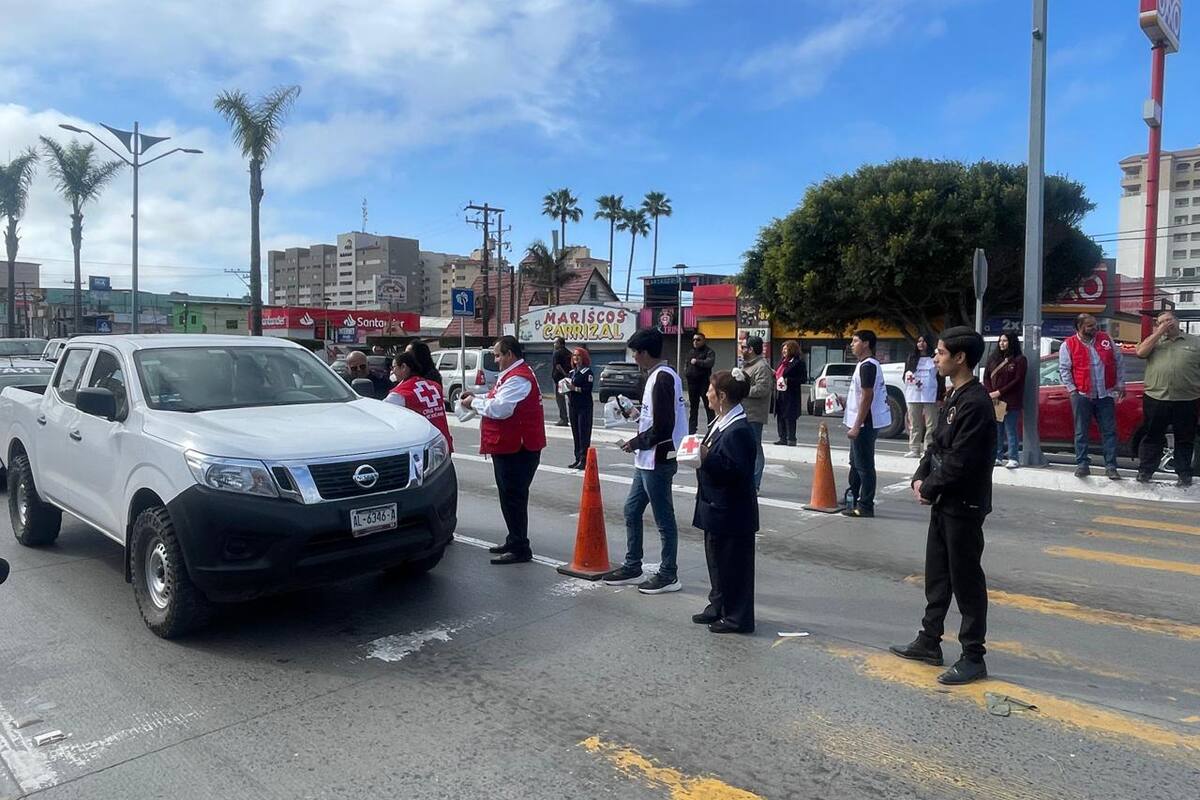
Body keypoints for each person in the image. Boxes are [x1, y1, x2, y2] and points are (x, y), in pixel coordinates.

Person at [890, 326, 995, 685]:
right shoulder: (954, 396)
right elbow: (937, 445)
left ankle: (973, 656)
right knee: (938, 574)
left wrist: (930, 487)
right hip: (945, 501)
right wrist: (920, 477)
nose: (934, 357)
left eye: (940, 352)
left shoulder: (977, 403)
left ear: (960, 357)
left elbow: (962, 459)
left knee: (966, 581)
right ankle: (929, 639)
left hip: (964, 504)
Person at [603, 328, 688, 594]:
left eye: (634, 353)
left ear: (644, 352)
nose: (634, 358)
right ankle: (633, 565)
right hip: (647, 458)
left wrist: (635, 442)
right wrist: (636, 415)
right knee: (631, 510)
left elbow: (664, 426)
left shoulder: (662, 378)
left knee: (664, 519)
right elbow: (656, 418)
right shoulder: (657, 376)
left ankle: (668, 574)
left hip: (658, 459)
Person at [461, 336, 546, 565]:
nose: (496, 360)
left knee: (514, 497)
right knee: (508, 497)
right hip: (510, 446)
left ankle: (520, 547)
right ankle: (514, 539)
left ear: (510, 354)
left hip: (518, 447)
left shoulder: (519, 378)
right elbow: (495, 398)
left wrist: (473, 403)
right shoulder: (512, 375)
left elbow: (501, 408)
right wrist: (476, 397)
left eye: (498, 355)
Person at [693, 369, 759, 634]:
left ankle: (737, 618)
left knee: (734, 567)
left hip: (732, 511)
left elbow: (736, 471)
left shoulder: (739, 429)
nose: (706, 394)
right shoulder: (721, 420)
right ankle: (718, 606)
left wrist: (706, 456)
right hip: (715, 507)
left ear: (721, 395)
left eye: (710, 390)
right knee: (717, 561)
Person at [1135, 310, 1200, 486]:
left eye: (1169, 320)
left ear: (1177, 321)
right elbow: (1140, 353)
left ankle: (1184, 474)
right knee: (1152, 436)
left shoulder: (1195, 342)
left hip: (1187, 399)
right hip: (1156, 397)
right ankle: (1145, 471)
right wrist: (1158, 333)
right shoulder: (1154, 341)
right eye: (1162, 321)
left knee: (1185, 438)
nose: (1167, 323)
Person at [1059, 313, 1125, 480]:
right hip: (1082, 394)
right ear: (1079, 327)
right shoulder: (1068, 345)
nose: (1094, 328)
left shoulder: (1105, 339)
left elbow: (1118, 361)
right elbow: (1064, 369)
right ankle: (1082, 464)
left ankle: (1111, 466)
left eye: (1095, 324)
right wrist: (1073, 390)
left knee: (1109, 431)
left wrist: (1120, 383)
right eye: (1089, 326)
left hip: (1105, 394)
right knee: (1081, 431)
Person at [842, 330, 891, 518]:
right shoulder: (863, 365)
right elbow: (860, 395)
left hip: (865, 423)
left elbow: (868, 395)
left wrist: (857, 425)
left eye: (855, 341)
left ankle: (865, 505)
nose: (852, 344)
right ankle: (852, 495)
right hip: (860, 420)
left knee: (864, 465)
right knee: (855, 462)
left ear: (866, 344)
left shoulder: (868, 366)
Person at [385, 352, 453, 453]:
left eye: (394, 367)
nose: (392, 371)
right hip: (443, 442)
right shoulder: (435, 386)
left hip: (422, 447)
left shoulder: (400, 394)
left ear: (403, 367)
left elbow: (381, 413)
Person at [983, 331, 1026, 469]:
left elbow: (1017, 380)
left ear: (1011, 342)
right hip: (995, 400)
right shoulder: (993, 358)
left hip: (1011, 401)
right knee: (997, 429)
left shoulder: (1019, 359)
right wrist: (991, 392)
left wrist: (999, 392)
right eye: (1000, 340)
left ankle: (1013, 458)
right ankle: (997, 456)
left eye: (1005, 340)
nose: (1002, 343)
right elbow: (986, 377)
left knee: (1010, 429)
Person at [739, 336, 774, 491]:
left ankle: (754, 484)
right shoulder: (747, 366)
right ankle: (746, 482)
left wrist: (742, 390)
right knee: (744, 449)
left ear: (751, 349)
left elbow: (763, 389)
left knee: (754, 448)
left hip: (754, 414)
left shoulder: (761, 367)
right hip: (743, 413)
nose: (742, 350)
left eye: (744, 347)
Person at [902, 334, 939, 459]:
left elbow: (940, 377)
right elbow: (905, 376)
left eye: (923, 341)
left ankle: (928, 449)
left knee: (931, 424)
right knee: (914, 424)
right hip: (913, 395)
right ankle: (914, 449)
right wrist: (910, 379)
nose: (921, 344)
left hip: (930, 395)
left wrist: (941, 394)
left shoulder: (934, 358)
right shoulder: (912, 358)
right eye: (919, 341)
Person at [773, 340, 806, 446]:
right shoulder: (782, 362)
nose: (783, 351)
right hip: (780, 393)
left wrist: (789, 380)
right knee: (780, 415)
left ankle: (791, 438)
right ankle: (782, 437)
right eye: (783, 349)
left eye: (786, 349)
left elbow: (803, 379)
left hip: (791, 394)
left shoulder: (798, 362)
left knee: (790, 416)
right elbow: (778, 374)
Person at [566, 347, 594, 470]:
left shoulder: (587, 372)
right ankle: (577, 458)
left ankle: (584, 459)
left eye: (578, 355)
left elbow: (587, 390)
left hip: (584, 406)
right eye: (573, 355)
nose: (575, 357)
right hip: (573, 406)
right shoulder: (572, 373)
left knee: (584, 433)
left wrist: (574, 388)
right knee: (575, 433)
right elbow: (569, 386)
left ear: (583, 357)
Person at [684, 333, 717, 435]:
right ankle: (691, 431)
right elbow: (686, 364)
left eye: (698, 340)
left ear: (703, 340)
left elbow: (709, 363)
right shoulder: (691, 352)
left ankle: (712, 430)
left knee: (709, 407)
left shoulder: (709, 352)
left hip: (704, 383)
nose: (695, 342)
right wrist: (686, 373)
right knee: (693, 408)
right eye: (694, 340)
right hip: (692, 384)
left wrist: (697, 362)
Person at [552, 337, 572, 427]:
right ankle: (573, 417)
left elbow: (558, 366)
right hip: (568, 379)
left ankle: (564, 419)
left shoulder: (557, 353)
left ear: (560, 344)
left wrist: (564, 374)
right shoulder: (569, 353)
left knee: (560, 400)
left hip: (559, 380)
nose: (554, 344)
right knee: (570, 399)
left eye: (555, 343)